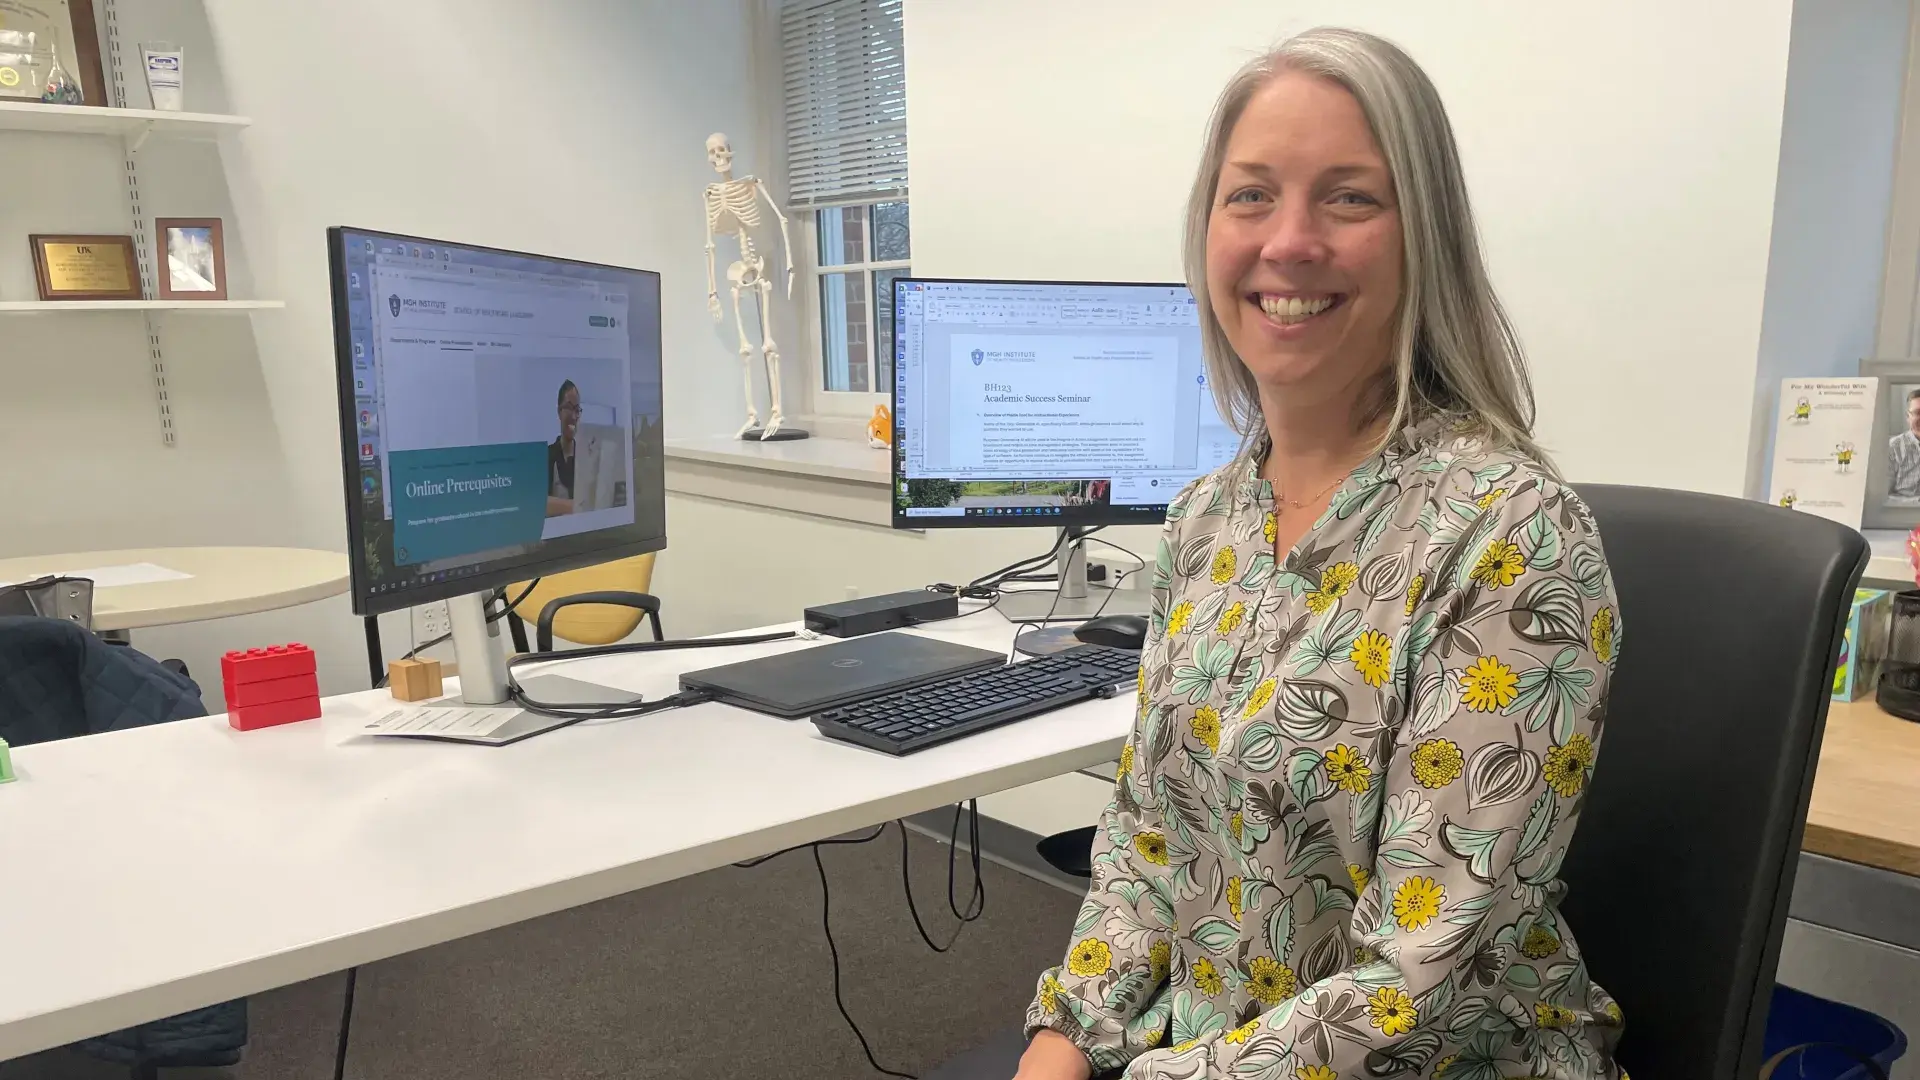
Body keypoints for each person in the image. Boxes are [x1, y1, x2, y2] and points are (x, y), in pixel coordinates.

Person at [1016, 28, 1623, 1080]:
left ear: (1422, 236)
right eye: (1251, 195)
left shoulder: (1511, 536)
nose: (1289, 242)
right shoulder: (1206, 518)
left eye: (1349, 197)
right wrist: (1063, 1040)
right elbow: (1144, 846)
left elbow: (1423, 979)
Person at [547, 380, 580, 516]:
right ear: (559, 411)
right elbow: (540, 504)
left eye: (577, 409)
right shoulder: (547, 456)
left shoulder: (586, 456)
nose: (573, 416)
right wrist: (577, 506)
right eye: (568, 407)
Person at [1886, 388, 1920, 500]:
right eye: (1917, 413)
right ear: (1907, 417)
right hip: (1903, 513)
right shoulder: (1893, 447)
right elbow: (1883, 496)